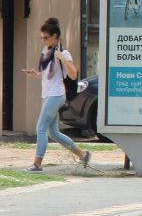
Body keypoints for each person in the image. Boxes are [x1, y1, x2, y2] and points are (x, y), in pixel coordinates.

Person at [21, 17, 91, 172]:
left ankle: (37, 164)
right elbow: (49, 75)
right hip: (48, 94)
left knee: (40, 128)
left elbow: (73, 74)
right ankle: (83, 155)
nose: (44, 41)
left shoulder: (64, 53)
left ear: (55, 37)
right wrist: (36, 74)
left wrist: (62, 59)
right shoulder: (46, 52)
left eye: (46, 38)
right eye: (42, 38)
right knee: (54, 132)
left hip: (57, 95)